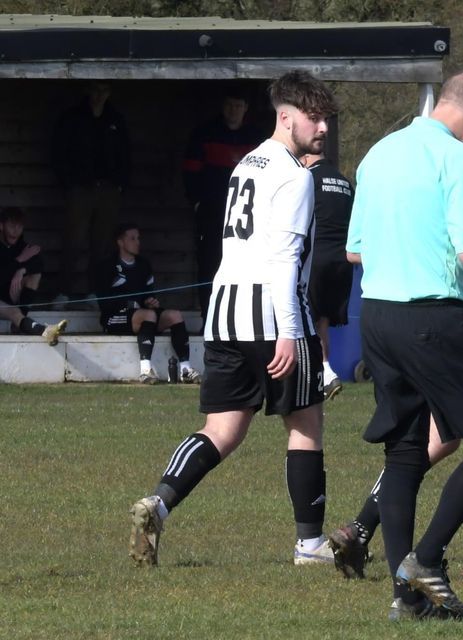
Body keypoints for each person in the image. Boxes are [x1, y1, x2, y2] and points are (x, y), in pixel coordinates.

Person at [127, 71, 338, 570]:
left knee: (221, 427)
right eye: (315, 117)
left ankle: (158, 502)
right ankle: (310, 544)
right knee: (305, 424)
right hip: (273, 316)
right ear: (286, 116)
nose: (324, 127)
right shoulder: (293, 174)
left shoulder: (248, 162)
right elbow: (285, 258)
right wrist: (290, 330)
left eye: (327, 117)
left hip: (224, 314)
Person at [343, 71, 463, 621]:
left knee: (405, 454)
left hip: (377, 317)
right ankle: (429, 558)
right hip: (432, 317)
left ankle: (406, 600)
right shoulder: (458, 158)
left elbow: (355, 251)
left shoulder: (379, 152)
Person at [183, 92, 262, 315]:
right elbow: (190, 171)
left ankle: (239, 318)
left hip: (247, 216)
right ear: (223, 105)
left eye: (238, 104)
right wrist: (197, 202)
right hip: (211, 213)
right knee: (209, 264)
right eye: (230, 104)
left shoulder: (256, 137)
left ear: (246, 107)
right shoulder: (205, 133)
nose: (233, 110)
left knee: (244, 266)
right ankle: (209, 317)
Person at [52, 82, 129, 305]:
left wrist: (120, 184)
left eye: (104, 91)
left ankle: (95, 292)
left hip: (108, 189)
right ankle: (63, 292)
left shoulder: (115, 119)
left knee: (102, 244)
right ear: (87, 91)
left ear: (109, 93)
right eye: (95, 90)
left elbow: (125, 155)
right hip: (80, 188)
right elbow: (59, 152)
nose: (99, 96)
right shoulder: (72, 118)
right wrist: (69, 183)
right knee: (73, 241)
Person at [93, 224, 201, 384]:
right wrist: (132, 305)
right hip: (114, 318)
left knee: (174, 315)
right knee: (148, 315)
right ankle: (145, 370)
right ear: (120, 242)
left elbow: (148, 294)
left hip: (143, 316)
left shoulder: (144, 265)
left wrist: (150, 301)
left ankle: (185, 368)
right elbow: (104, 300)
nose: (137, 242)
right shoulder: (107, 266)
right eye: (132, 238)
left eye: (138, 238)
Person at [301, 151, 354, 400]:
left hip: (316, 260)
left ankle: (322, 374)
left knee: (306, 319)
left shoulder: (306, 178)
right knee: (321, 323)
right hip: (341, 263)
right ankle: (325, 372)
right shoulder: (344, 182)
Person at [0, 207, 66, 344]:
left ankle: (29, 326)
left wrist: (21, 270)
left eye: (20, 226)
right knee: (14, 313)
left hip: (10, 295)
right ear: (1, 226)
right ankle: (45, 331)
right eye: (12, 226)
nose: (16, 230)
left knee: (34, 275)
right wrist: (19, 260)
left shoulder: (21, 246)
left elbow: (38, 264)